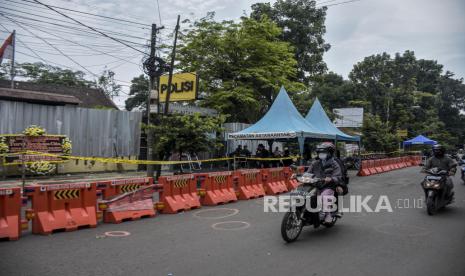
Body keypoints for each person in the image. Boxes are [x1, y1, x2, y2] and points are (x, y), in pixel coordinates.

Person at [306, 142, 346, 225]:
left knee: (324, 197)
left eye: (323, 152)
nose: (321, 154)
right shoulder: (315, 163)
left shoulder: (334, 163)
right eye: (320, 153)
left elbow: (338, 176)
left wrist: (331, 178)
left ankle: (326, 214)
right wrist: (298, 175)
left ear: (330, 153)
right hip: (316, 184)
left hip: (328, 186)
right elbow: (308, 173)